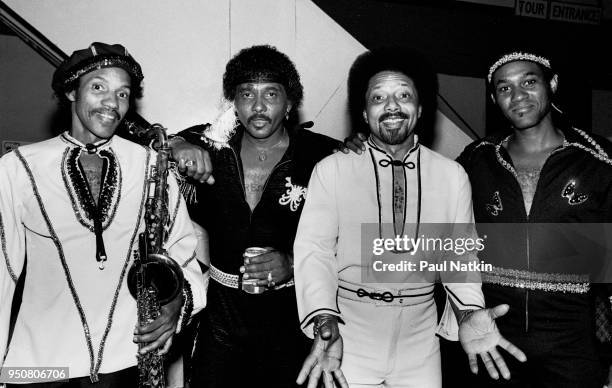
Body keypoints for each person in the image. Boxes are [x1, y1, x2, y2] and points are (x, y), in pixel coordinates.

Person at [293, 47, 526, 388]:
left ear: (420, 109)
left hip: (421, 340)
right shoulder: (332, 170)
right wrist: (324, 318)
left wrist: (468, 313)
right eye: (378, 97)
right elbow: (315, 251)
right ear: (364, 111)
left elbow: (459, 257)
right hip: (349, 334)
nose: (391, 106)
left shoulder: (452, 175)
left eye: (404, 95)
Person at [0, 42, 207, 387]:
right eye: (99, 88)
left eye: (123, 94)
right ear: (71, 91)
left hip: (125, 362)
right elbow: (2, 269)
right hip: (40, 365)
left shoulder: (151, 165)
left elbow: (183, 251)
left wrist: (178, 305)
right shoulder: (17, 168)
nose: (112, 103)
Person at [172, 44, 339, 388]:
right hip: (220, 317)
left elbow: (353, 239)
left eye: (271, 94)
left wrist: (293, 263)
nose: (258, 107)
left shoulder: (322, 156)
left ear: (290, 104)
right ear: (234, 101)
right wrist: (174, 145)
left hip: (290, 317)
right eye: (247, 93)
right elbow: (142, 145)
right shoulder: (208, 145)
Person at [456, 50, 612, 387]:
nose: (518, 96)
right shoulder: (476, 158)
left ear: (552, 84)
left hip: (574, 347)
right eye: (505, 88)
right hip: (492, 340)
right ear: (494, 98)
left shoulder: (600, 160)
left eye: (529, 82)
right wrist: (363, 149)